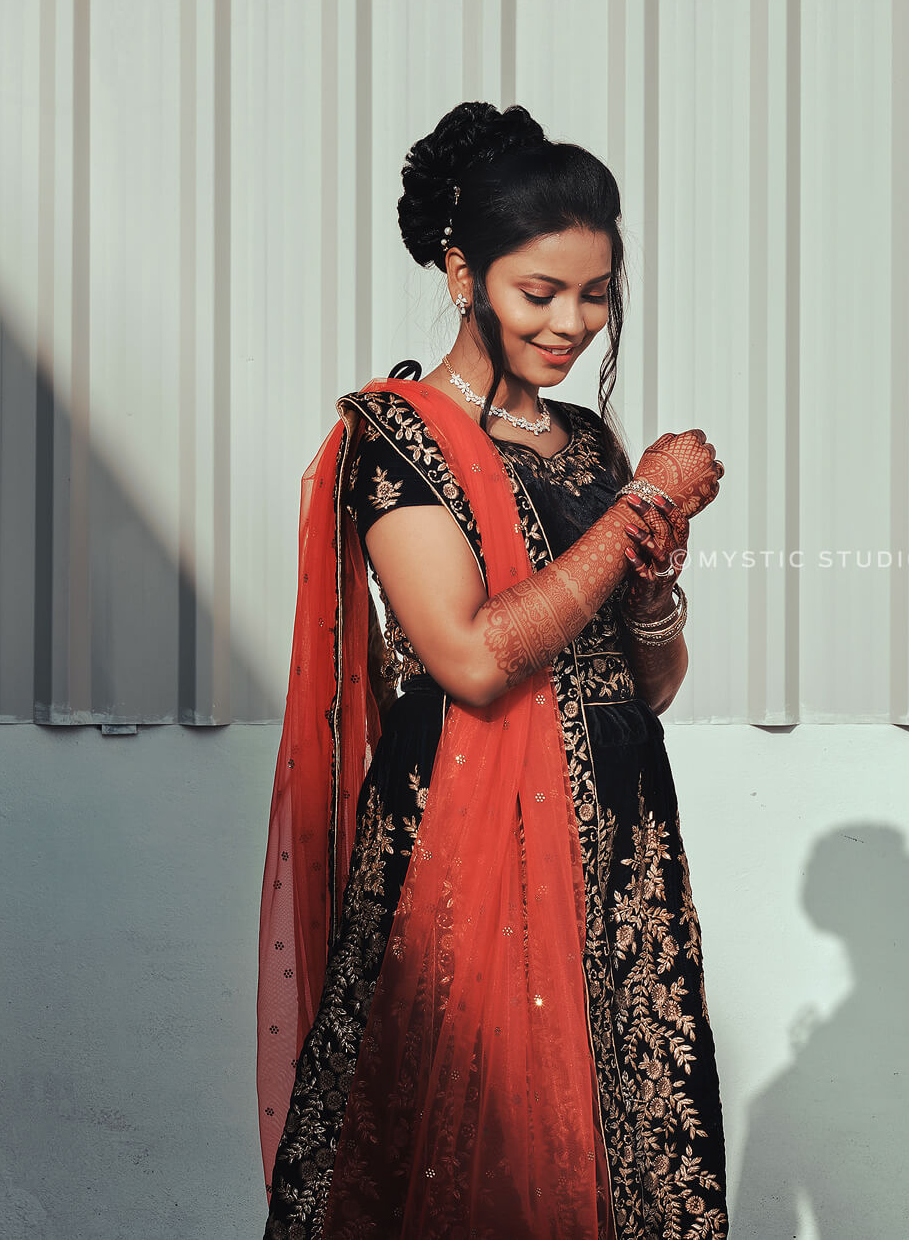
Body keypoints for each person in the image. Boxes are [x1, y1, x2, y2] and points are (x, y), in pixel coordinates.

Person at [257, 101, 730, 1239]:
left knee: (639, 1145)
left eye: (594, 293)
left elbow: (645, 682)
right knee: (467, 1150)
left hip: (618, 838)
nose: (571, 322)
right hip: (460, 853)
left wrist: (654, 581)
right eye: (539, 292)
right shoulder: (398, 435)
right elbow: (467, 657)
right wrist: (635, 515)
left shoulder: (581, 443)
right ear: (462, 273)